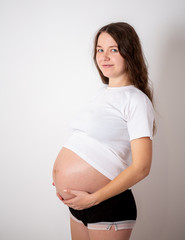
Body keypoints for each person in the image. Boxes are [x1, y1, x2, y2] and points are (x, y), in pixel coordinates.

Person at [52, 22, 156, 240]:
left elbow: (142, 167)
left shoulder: (136, 100)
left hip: (107, 204)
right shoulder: (100, 94)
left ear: (130, 52)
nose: (104, 56)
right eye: (100, 49)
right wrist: (65, 182)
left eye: (114, 50)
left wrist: (93, 198)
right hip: (78, 204)